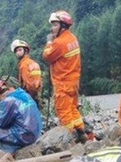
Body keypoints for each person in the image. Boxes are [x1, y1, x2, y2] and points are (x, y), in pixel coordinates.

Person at [43, 10, 89, 143]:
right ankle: (82, 133)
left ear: (63, 26)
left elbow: (47, 56)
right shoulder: (73, 38)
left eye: (55, 25)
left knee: (64, 112)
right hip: (73, 82)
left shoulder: (59, 43)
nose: (52, 29)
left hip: (62, 82)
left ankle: (69, 138)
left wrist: (49, 43)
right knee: (73, 109)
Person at [0, 79, 42, 162]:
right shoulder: (24, 94)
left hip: (24, 135)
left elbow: (2, 122)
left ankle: (6, 152)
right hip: (36, 133)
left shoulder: (8, 101)